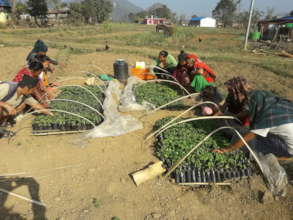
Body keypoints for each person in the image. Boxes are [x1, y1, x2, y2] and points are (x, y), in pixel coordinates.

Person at [213, 77, 293, 160]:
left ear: (238, 92)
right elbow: (248, 112)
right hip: (284, 130)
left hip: (287, 151)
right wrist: (234, 117)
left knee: (249, 147)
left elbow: (250, 135)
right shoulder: (261, 97)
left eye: (231, 91)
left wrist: (229, 149)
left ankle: (279, 157)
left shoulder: (268, 117)